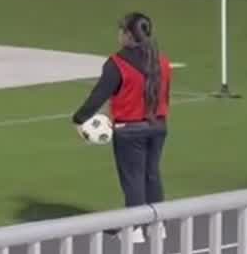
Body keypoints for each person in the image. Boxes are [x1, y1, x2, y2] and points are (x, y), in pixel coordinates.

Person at [72, 12, 173, 240]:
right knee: (152, 174)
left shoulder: (117, 64)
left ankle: (135, 229)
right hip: (158, 125)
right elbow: (165, 95)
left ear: (128, 34)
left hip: (130, 129)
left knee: (133, 178)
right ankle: (158, 226)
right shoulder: (162, 61)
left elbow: (98, 95)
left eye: (121, 30)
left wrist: (79, 118)